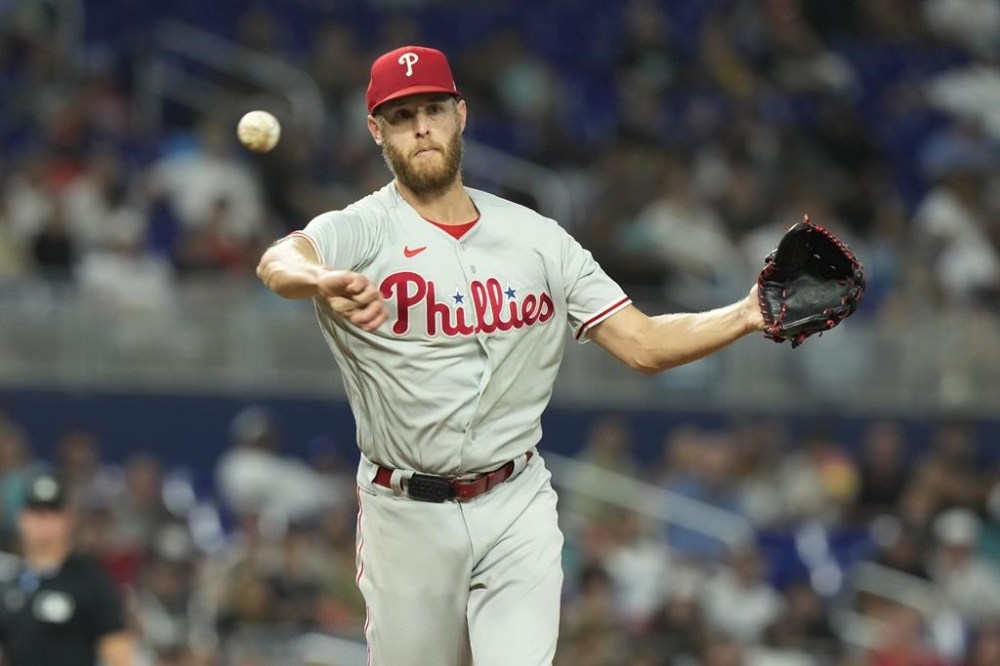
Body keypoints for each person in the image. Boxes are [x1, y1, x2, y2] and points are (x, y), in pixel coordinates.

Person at [256, 44, 765, 665]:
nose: (420, 127)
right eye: (401, 115)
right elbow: (279, 261)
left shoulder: (537, 238)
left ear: (460, 115)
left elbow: (644, 344)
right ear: (376, 131)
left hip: (515, 501)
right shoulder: (361, 230)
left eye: (434, 109)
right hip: (405, 513)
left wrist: (746, 314)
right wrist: (320, 281)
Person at [0, 471, 134, 665]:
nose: (43, 523)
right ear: (22, 518)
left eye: (52, 513)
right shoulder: (8, 583)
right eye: (36, 513)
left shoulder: (91, 581)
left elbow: (118, 654)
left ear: (68, 518)